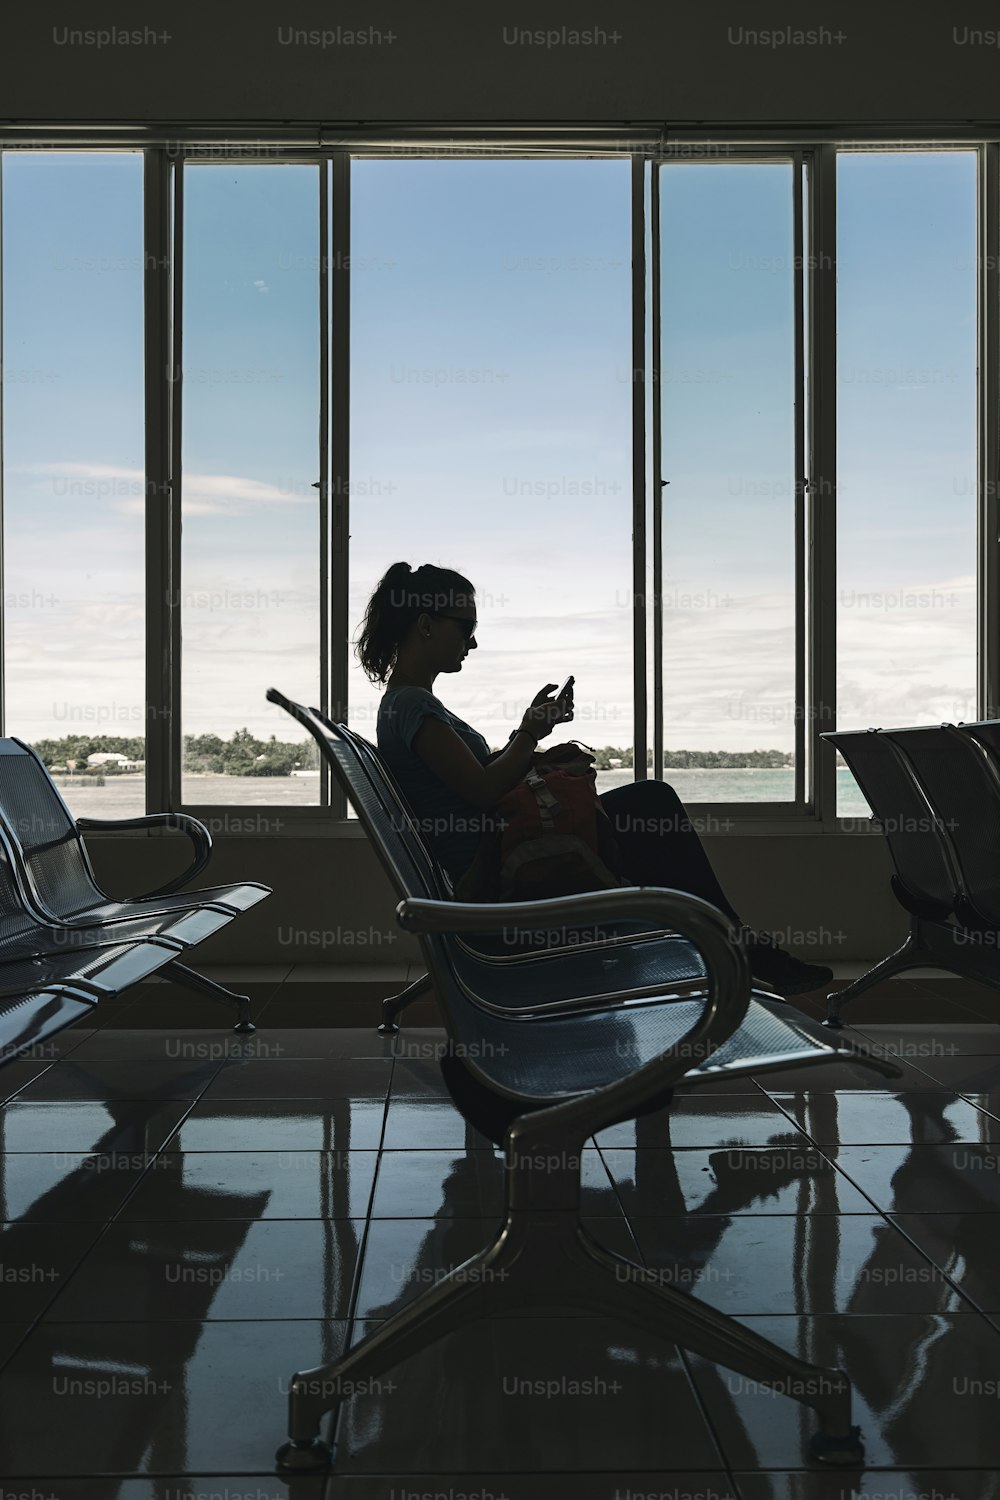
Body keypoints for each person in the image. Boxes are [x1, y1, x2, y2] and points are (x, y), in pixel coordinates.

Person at [357, 559, 833, 997]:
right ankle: (734, 945)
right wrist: (529, 732)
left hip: (500, 854)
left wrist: (530, 736)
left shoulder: (406, 706)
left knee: (648, 807)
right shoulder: (413, 706)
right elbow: (483, 791)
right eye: (466, 628)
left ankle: (730, 943)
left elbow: (475, 781)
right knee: (652, 804)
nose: (474, 642)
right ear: (425, 625)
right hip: (498, 877)